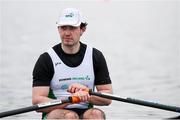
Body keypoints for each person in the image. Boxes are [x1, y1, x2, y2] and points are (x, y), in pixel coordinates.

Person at [32, 8, 113, 119]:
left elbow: (108, 98)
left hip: (86, 111)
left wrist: (86, 93)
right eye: (63, 28)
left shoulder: (95, 56)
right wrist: (72, 100)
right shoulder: (46, 59)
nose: (67, 33)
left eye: (72, 28)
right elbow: (37, 102)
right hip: (56, 112)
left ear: (82, 29)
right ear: (58, 29)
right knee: (70, 116)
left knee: (96, 115)